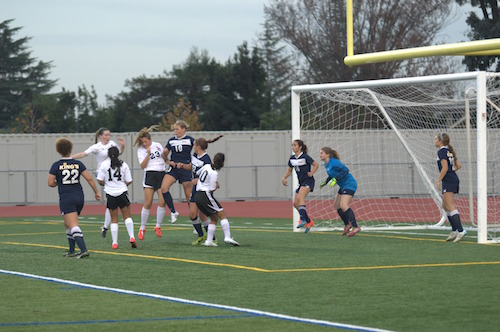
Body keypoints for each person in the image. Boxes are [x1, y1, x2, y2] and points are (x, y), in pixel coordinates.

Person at [48, 138, 101, 259]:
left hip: (67, 197)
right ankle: (72, 250)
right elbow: (89, 178)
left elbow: (50, 183)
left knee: (72, 225)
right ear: (71, 149)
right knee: (67, 224)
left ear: (58, 150)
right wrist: (96, 192)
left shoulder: (56, 165)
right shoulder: (78, 163)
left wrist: (59, 182)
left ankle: (84, 250)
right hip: (79, 196)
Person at [71, 127, 125, 238]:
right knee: (112, 200)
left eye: (109, 135)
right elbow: (83, 154)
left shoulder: (112, 144)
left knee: (111, 201)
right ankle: (105, 226)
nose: (108, 137)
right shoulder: (97, 147)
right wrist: (70, 158)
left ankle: (105, 227)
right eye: (106, 135)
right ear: (100, 136)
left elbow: (118, 153)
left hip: (112, 173)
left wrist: (122, 146)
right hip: (103, 174)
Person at [134, 126, 175, 240]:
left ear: (150, 139)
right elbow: (143, 166)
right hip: (150, 175)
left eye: (146, 141)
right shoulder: (141, 150)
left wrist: (170, 162)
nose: (144, 144)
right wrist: (148, 153)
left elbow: (163, 158)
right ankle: (142, 228)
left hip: (161, 173)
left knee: (162, 201)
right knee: (148, 202)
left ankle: (158, 226)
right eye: (142, 142)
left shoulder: (157, 145)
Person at [194, 153, 239, 247]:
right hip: (205, 195)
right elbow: (211, 189)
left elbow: (197, 174)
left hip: (197, 195)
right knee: (222, 214)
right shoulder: (214, 173)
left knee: (214, 218)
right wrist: (216, 186)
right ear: (222, 163)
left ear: (213, 159)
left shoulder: (206, 166)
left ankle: (209, 241)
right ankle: (227, 237)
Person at [96, 146, 136, 249]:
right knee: (127, 217)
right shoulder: (124, 165)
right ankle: (132, 237)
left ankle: (115, 242)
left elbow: (99, 180)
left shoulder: (104, 165)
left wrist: (107, 184)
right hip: (122, 192)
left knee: (114, 219)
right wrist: (122, 185)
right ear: (118, 154)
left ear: (108, 155)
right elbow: (129, 180)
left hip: (110, 194)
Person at [319, 146, 361, 237]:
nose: (320, 155)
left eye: (322, 153)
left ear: (328, 154)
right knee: (337, 205)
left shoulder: (334, 162)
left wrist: (335, 179)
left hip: (349, 184)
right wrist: (325, 182)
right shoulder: (326, 164)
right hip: (343, 186)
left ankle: (356, 226)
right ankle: (347, 224)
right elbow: (332, 174)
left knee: (343, 205)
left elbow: (345, 170)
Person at [190, 135, 223, 245]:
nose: (193, 146)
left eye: (194, 144)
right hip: (195, 189)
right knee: (192, 215)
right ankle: (202, 235)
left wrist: (197, 180)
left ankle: (212, 238)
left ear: (198, 146)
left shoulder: (206, 159)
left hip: (201, 190)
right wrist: (180, 166)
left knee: (203, 215)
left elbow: (207, 175)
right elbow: (192, 167)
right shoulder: (194, 155)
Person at [160, 120, 195, 224]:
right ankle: (173, 212)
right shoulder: (171, 141)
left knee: (189, 196)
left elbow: (199, 148)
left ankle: (194, 219)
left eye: (177, 129)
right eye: (174, 129)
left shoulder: (190, 140)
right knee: (164, 188)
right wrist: (166, 158)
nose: (175, 131)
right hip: (174, 168)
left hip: (185, 168)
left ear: (183, 129)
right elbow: (164, 154)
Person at [281, 139, 319, 234]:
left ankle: (302, 219)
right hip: (301, 183)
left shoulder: (305, 157)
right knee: (295, 203)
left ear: (300, 147)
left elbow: (316, 164)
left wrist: (312, 172)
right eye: (292, 145)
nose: (293, 147)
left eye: (295, 145)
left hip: (308, 181)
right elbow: (290, 170)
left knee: (300, 197)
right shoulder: (292, 158)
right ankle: (309, 221)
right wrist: (284, 177)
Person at [434, 133, 466, 242]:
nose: (434, 140)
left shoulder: (442, 151)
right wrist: (451, 173)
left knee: (450, 205)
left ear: (440, 141)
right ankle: (454, 231)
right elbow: (458, 165)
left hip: (449, 181)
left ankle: (461, 230)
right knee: (445, 205)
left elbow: (445, 168)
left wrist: (438, 180)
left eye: (436, 139)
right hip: (451, 179)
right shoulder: (449, 151)